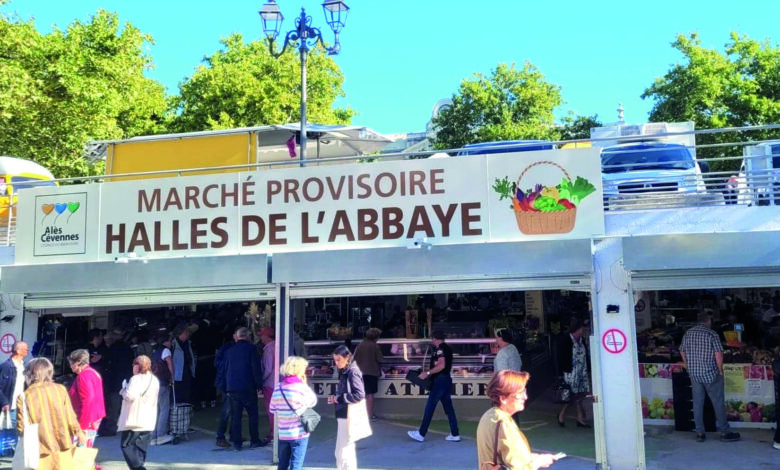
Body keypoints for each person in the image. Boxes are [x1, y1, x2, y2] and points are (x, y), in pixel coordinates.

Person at [477, 370, 558, 470]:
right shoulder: (503, 423)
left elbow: (506, 455)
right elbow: (518, 467)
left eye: (524, 391)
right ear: (503, 398)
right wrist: (538, 462)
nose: (525, 397)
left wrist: (533, 457)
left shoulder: (489, 416)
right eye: (519, 393)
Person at [680, 311, 741, 443]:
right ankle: (725, 432)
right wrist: (720, 370)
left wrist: (688, 365)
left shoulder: (688, 333)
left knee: (697, 403)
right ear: (708, 321)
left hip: (695, 374)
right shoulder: (711, 334)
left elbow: (682, 350)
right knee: (718, 403)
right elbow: (718, 353)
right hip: (711, 373)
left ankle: (700, 432)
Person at [16, 358, 86, 469]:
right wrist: (79, 433)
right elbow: (70, 416)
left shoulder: (25, 396)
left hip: (39, 448)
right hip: (63, 444)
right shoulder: (60, 389)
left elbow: (21, 427)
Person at [407, 331, 460, 443]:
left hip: (439, 381)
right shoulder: (447, 348)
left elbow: (441, 365)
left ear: (434, 338)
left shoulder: (439, 349)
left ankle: (421, 433)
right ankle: (455, 433)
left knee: (430, 407)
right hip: (446, 379)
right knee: (449, 408)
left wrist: (427, 373)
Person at [218, 327, 265, 451]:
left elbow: (224, 370)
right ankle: (254, 440)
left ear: (238, 336)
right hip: (248, 387)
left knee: (236, 416)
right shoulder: (251, 349)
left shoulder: (229, 351)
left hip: (232, 387)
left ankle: (237, 442)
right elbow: (255, 368)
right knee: (253, 415)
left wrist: (225, 387)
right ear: (247, 336)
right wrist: (259, 385)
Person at [269, 356, 318, 470]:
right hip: (299, 433)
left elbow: (272, 408)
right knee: (296, 464)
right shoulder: (301, 388)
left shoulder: (278, 387)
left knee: (282, 464)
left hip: (283, 434)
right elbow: (313, 401)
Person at [328, 345, 370, 470]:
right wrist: (337, 397)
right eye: (335, 360)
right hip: (344, 412)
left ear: (347, 358)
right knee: (343, 450)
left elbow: (360, 394)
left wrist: (339, 398)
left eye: (339, 360)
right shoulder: (347, 370)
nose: (337, 363)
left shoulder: (352, 371)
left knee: (343, 450)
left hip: (348, 413)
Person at [118, 355, 160, 470]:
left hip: (135, 419)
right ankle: (139, 466)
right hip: (149, 418)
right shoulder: (154, 379)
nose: (133, 367)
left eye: (134, 364)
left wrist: (123, 390)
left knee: (127, 445)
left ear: (138, 366)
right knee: (141, 448)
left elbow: (130, 396)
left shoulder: (136, 379)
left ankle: (139, 468)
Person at [68, 349, 106, 448]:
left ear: (78, 363)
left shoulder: (84, 376)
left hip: (87, 418)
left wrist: (82, 427)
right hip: (93, 416)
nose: (70, 366)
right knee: (86, 448)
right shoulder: (93, 373)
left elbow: (88, 400)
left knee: (81, 450)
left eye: (71, 363)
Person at [557, 318, 591, 428]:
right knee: (572, 396)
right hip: (570, 372)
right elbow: (560, 357)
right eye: (582, 329)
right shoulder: (566, 340)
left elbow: (586, 355)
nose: (583, 331)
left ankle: (578, 418)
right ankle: (565, 415)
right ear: (577, 329)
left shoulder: (582, 341)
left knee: (580, 395)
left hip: (582, 372)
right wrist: (559, 373)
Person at [0, 341, 28, 455]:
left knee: (17, 429)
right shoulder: (6, 366)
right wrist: (4, 402)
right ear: (18, 351)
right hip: (9, 405)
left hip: (20, 404)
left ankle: (12, 454)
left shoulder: (23, 366)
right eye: (25, 349)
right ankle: (8, 455)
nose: (27, 351)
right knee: (8, 429)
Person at [213, 330, 237, 448]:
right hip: (226, 382)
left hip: (230, 381)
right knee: (226, 411)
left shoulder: (231, 348)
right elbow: (217, 362)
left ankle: (233, 435)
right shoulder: (226, 348)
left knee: (234, 410)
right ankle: (220, 437)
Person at [354, 327, 383, 420]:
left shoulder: (360, 345)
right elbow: (380, 359)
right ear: (376, 337)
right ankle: (369, 416)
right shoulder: (375, 346)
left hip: (359, 373)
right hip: (371, 373)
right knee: (370, 395)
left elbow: (354, 358)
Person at [151, 332, 174, 446]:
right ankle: (161, 434)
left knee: (157, 409)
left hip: (154, 382)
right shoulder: (166, 351)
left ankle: (154, 434)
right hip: (163, 382)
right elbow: (170, 364)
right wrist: (172, 377)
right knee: (164, 408)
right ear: (166, 341)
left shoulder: (155, 351)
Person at [171, 323, 197, 404]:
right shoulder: (173, 344)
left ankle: (184, 413)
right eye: (186, 332)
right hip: (177, 375)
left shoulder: (188, 343)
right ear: (180, 333)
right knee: (178, 395)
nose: (188, 334)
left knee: (186, 394)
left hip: (187, 372)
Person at [259, 326, 276, 444]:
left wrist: (260, 381)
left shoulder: (269, 350)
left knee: (271, 410)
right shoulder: (278, 346)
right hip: (277, 383)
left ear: (266, 336)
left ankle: (273, 433)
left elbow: (268, 369)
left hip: (269, 384)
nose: (260, 337)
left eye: (262, 335)